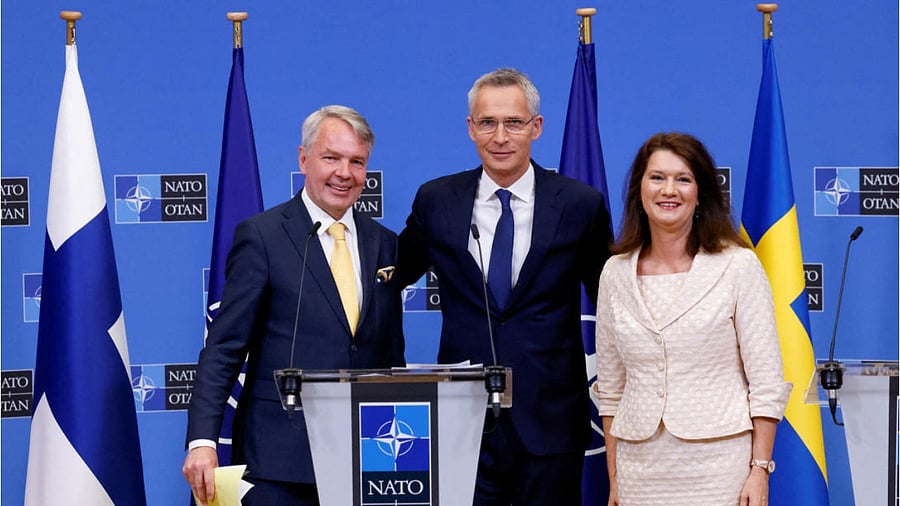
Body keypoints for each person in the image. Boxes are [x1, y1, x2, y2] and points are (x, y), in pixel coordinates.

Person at [396, 68, 613, 505]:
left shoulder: (578, 204)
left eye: (513, 123)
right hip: (462, 420)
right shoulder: (436, 199)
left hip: (550, 420)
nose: (500, 136)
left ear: (536, 127)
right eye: (487, 123)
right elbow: (388, 276)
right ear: (470, 128)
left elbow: (614, 301)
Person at [183, 105, 405, 506]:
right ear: (304, 159)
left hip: (370, 458)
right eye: (331, 158)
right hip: (280, 463)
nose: (344, 173)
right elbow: (224, 348)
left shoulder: (384, 243)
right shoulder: (263, 236)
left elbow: (390, 355)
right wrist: (202, 440)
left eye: (357, 162)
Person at [593, 132, 792, 506]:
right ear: (639, 189)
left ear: (700, 193)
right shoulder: (614, 273)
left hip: (719, 470)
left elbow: (766, 382)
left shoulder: (737, 266)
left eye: (683, 179)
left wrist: (759, 470)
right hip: (640, 469)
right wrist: (615, 478)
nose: (669, 190)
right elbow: (611, 390)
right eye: (657, 178)